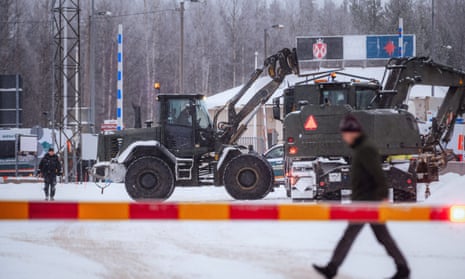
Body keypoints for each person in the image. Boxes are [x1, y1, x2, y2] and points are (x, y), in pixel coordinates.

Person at [313, 114, 410, 279]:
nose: (344, 137)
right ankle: (402, 268)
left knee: (350, 235)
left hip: (368, 201)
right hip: (365, 200)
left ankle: (332, 268)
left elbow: (377, 174)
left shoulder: (366, 149)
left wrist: (383, 196)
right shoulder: (361, 148)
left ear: (353, 132)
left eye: (345, 134)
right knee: (381, 236)